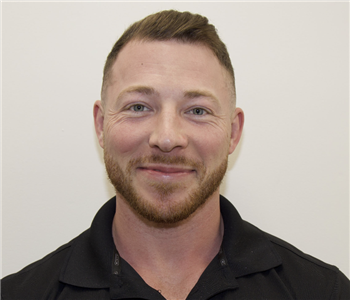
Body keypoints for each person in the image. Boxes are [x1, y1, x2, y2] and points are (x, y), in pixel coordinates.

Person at [1, 9, 349, 300]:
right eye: (138, 106)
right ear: (101, 124)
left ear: (233, 131)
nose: (166, 138)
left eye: (197, 110)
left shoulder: (323, 292)